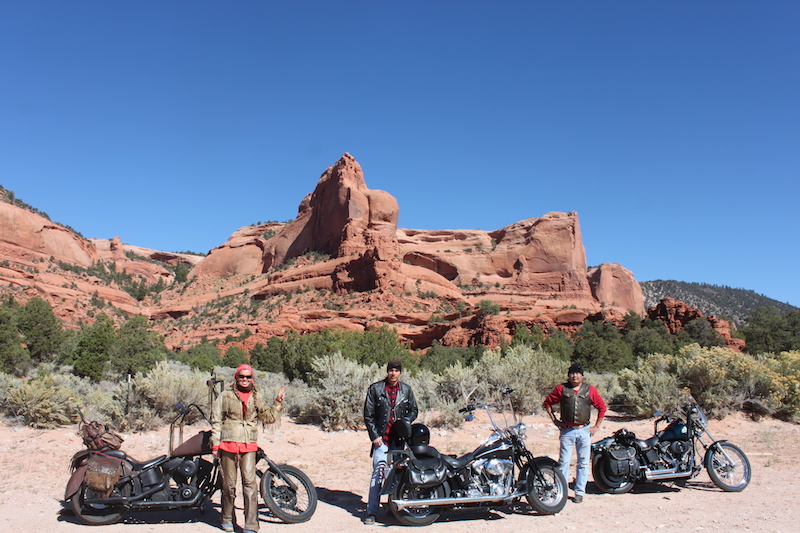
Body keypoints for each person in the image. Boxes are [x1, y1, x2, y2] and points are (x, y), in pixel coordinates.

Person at [210, 364, 286, 533]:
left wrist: (278, 402)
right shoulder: (225, 396)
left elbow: (269, 417)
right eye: (241, 377)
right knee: (229, 485)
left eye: (248, 377)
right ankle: (227, 518)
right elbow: (216, 420)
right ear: (236, 378)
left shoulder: (256, 397)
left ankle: (251, 525)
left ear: (252, 379)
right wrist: (215, 444)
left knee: (250, 485)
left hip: (248, 445)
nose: (245, 380)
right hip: (228, 444)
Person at [362, 359, 418, 525]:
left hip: (399, 440)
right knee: (378, 473)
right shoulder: (376, 388)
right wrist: (375, 436)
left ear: (400, 372)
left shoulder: (406, 390)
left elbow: (414, 410)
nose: (393, 373)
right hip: (382, 440)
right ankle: (372, 511)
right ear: (387, 372)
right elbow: (368, 415)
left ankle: (393, 507)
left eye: (396, 371)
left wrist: (405, 423)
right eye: (391, 370)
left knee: (398, 475)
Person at [543, 362, 606, 504]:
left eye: (577, 373)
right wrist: (554, 420)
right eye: (572, 373)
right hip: (567, 431)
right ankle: (563, 490)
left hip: (584, 431)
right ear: (568, 376)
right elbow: (547, 403)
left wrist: (596, 427)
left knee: (583, 462)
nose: (575, 376)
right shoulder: (561, 389)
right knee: (563, 462)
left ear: (582, 376)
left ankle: (579, 492)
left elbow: (602, 407)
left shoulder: (590, 390)